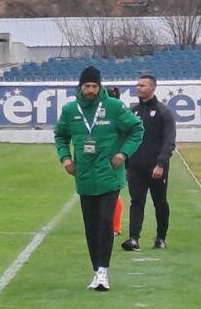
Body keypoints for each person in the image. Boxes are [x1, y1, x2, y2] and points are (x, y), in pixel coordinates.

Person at [54, 66, 144, 291]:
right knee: (91, 226)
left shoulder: (114, 107)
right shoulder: (70, 110)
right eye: (87, 86)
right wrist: (65, 158)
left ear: (100, 86)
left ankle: (103, 270)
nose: (91, 90)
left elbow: (137, 129)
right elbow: (60, 135)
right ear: (80, 87)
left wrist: (123, 153)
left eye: (95, 86)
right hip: (84, 177)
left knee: (105, 222)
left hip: (109, 176)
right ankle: (97, 270)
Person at [121, 74, 176, 252]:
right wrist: (126, 164)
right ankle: (133, 238)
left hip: (156, 167)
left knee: (160, 202)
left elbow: (169, 141)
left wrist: (161, 164)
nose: (138, 88)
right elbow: (126, 138)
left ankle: (161, 238)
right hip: (136, 166)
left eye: (142, 85)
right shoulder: (133, 112)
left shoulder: (163, 112)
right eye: (137, 85)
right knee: (136, 201)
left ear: (152, 88)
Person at [107, 86, 125, 236]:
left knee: (112, 193)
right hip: (114, 158)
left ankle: (114, 227)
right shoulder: (119, 113)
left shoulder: (117, 116)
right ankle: (113, 226)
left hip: (114, 158)